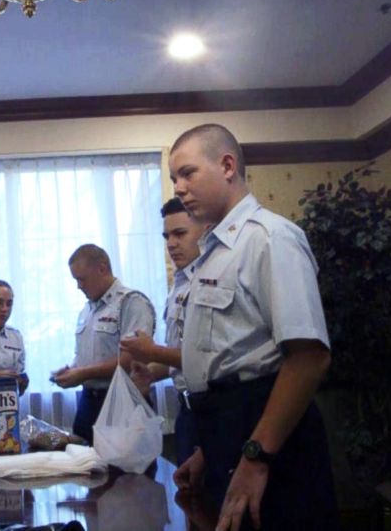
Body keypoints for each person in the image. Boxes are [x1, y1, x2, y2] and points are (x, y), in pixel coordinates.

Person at [167, 124, 336, 530]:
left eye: (188, 173)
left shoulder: (270, 238)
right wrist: (210, 450)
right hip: (229, 429)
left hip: (270, 438)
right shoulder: (214, 251)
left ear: (227, 165)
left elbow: (308, 358)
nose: (179, 188)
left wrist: (256, 457)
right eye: (175, 178)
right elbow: (231, 354)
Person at [119, 197, 205, 465]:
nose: (171, 243)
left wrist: (152, 351)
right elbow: (179, 359)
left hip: (215, 407)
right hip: (187, 409)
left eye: (180, 233)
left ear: (206, 230)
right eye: (167, 236)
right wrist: (152, 371)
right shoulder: (178, 284)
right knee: (190, 499)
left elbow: (209, 359)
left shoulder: (212, 280)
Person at [53, 244, 156, 444]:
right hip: (88, 402)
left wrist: (82, 373)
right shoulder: (87, 310)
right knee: (84, 468)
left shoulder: (132, 302)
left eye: (82, 279)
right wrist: (71, 371)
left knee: (124, 473)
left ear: (102, 268)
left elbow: (131, 361)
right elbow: (86, 356)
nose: (78, 286)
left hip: (122, 400)